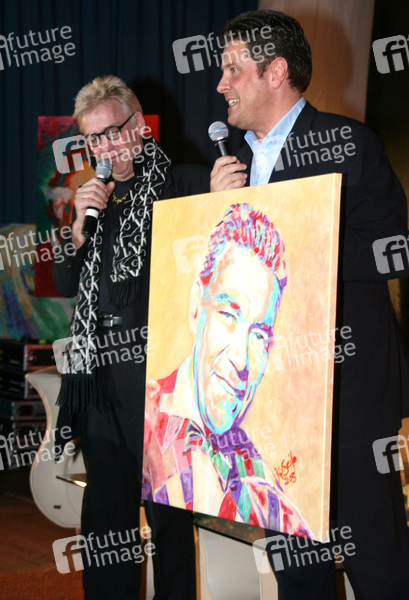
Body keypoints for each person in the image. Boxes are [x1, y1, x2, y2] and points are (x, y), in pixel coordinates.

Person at [210, 9, 409, 600]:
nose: (220, 84)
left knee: (377, 561)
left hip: (347, 398)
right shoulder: (234, 165)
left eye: (233, 69)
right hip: (270, 403)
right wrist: (217, 213)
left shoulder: (350, 142)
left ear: (275, 72)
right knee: (296, 570)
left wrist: (291, 230)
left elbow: (392, 250)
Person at [52, 75, 210, 600]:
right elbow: (66, 283)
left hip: (162, 383)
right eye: (93, 139)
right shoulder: (92, 201)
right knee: (105, 521)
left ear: (139, 125)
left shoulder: (182, 182)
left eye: (113, 132)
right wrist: (79, 229)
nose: (105, 147)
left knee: (169, 522)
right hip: (101, 383)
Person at [142, 202, 309, 536]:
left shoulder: (255, 475)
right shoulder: (143, 421)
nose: (241, 360)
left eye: (259, 335)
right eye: (229, 315)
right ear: (196, 308)